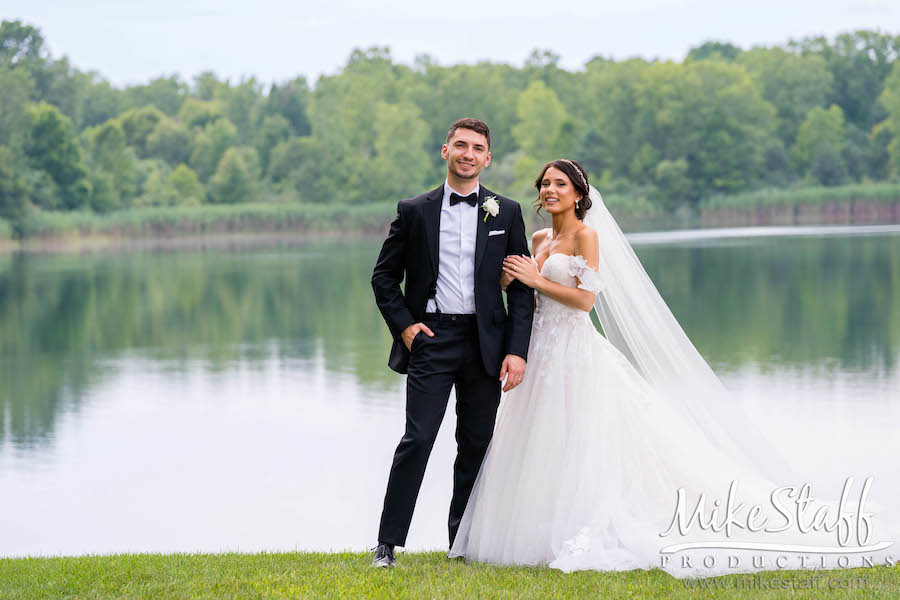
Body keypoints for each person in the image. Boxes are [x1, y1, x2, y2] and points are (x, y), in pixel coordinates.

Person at [448, 159, 900, 579]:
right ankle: (534, 529)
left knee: (584, 435)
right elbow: (529, 296)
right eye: (545, 184)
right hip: (539, 352)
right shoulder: (540, 240)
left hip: (574, 349)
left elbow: (586, 301)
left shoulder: (586, 236)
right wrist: (514, 281)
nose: (550, 190)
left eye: (559, 184)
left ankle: (589, 523)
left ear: (578, 194)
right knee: (539, 438)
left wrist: (537, 279)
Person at [370, 118, 535, 567]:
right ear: (445, 151)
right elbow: (384, 277)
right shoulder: (413, 210)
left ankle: (460, 544)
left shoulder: (508, 211)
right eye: (459, 145)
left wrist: (517, 351)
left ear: (487, 158)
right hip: (432, 337)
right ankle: (387, 544)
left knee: (476, 442)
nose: (467, 153)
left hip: (486, 341)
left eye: (477, 147)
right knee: (418, 438)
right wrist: (405, 326)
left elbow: (521, 289)